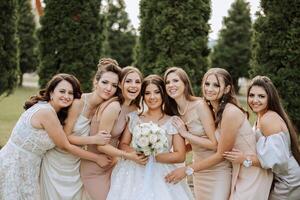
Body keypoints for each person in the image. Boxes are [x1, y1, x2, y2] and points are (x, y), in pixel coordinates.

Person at [166, 68, 272, 200]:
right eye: (207, 84)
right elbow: (203, 140)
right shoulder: (213, 108)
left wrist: (187, 168)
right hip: (233, 169)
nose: (209, 89)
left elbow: (221, 153)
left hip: (250, 172)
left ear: (227, 89)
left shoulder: (230, 112)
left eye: (216, 85)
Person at [0, 74, 104, 199]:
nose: (66, 96)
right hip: (16, 164)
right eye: (62, 91)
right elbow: (65, 145)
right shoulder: (46, 112)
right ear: (51, 93)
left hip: (29, 165)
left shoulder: (52, 110)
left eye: (70, 93)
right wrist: (96, 158)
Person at [39, 58, 120, 200]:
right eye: (104, 82)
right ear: (96, 82)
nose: (108, 88)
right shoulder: (78, 103)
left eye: (114, 85)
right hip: (58, 161)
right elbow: (65, 137)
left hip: (77, 162)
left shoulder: (107, 108)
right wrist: (93, 139)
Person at [106, 74, 194, 200]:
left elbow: (180, 155)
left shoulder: (173, 121)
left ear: (163, 94)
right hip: (133, 171)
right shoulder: (134, 118)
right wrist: (137, 154)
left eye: (157, 92)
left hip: (163, 172)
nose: (152, 97)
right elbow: (123, 144)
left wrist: (152, 157)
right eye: (147, 93)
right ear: (142, 96)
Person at [225, 75, 300, 200]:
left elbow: (276, 161)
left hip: (289, 181)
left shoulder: (268, 119)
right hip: (280, 178)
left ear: (270, 98)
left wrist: (244, 159)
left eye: (261, 96)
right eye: (251, 95)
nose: (255, 100)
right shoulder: (261, 116)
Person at [80, 66, 146, 200]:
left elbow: (124, 141)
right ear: (121, 85)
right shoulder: (114, 107)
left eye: (137, 82)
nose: (133, 85)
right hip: (95, 167)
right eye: (128, 81)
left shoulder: (133, 108)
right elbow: (101, 145)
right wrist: (128, 155)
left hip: (113, 166)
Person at [164, 67, 222, 199]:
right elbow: (195, 144)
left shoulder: (199, 105)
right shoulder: (174, 111)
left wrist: (185, 134)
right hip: (198, 168)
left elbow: (214, 144)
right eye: (167, 82)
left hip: (216, 167)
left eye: (175, 81)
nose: (171, 85)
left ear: (185, 84)